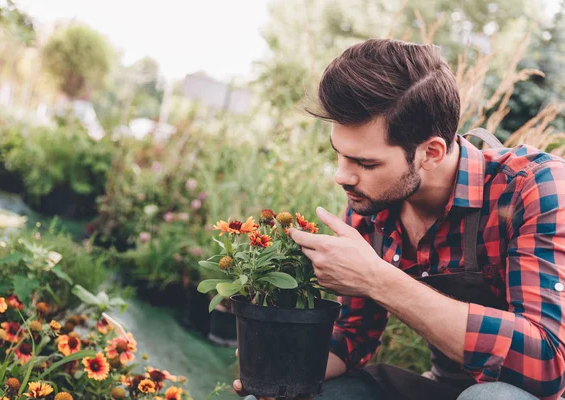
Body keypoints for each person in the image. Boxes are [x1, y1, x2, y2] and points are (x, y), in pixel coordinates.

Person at [235, 38, 565, 400]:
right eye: (341, 156)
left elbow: (549, 362)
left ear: (431, 152)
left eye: (366, 163)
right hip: (441, 389)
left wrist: (376, 279)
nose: (342, 176)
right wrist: (280, 373)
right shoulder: (374, 203)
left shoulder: (533, 187)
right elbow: (352, 337)